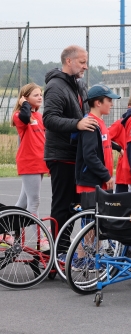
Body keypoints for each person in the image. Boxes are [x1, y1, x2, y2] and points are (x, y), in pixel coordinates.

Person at [43, 45, 97, 249]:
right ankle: (57, 251)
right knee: (62, 206)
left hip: (76, 155)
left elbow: (87, 115)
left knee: (75, 206)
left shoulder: (79, 85)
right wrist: (77, 124)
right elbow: (49, 119)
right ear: (69, 61)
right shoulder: (56, 86)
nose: (86, 66)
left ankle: (64, 249)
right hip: (61, 155)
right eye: (82, 62)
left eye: (86, 62)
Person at [73, 84, 120, 269]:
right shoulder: (91, 123)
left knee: (97, 221)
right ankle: (81, 258)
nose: (112, 104)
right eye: (109, 101)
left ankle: (94, 256)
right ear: (98, 102)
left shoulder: (100, 122)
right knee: (90, 223)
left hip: (99, 180)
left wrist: (118, 148)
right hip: (90, 181)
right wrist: (106, 175)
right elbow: (89, 155)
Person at [8, 83, 49, 249]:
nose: (40, 97)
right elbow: (25, 117)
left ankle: (5, 233)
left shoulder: (39, 117)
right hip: (29, 162)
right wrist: (24, 103)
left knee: (22, 204)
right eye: (35, 95)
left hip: (40, 162)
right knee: (34, 203)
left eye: (41, 94)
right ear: (25, 98)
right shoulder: (20, 115)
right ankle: (42, 241)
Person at [108, 96, 131, 193]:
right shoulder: (120, 124)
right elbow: (104, 138)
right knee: (120, 202)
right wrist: (119, 148)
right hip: (124, 170)